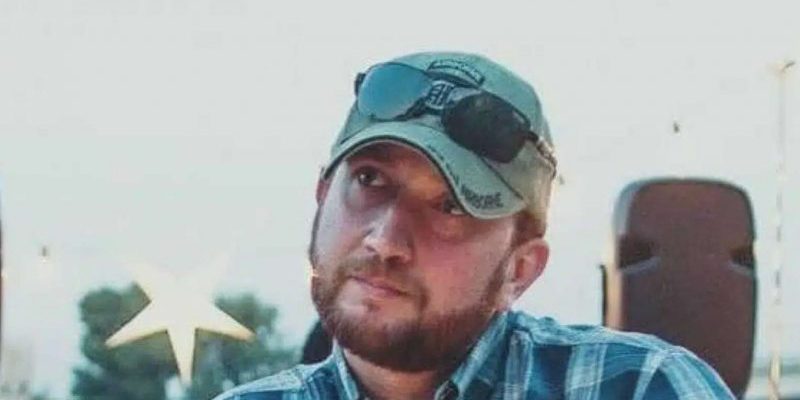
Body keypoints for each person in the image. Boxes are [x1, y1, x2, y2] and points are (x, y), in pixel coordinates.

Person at [214, 52, 734, 399]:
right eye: (370, 179)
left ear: (519, 270)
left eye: (450, 208)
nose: (385, 240)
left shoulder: (639, 387)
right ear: (323, 196)